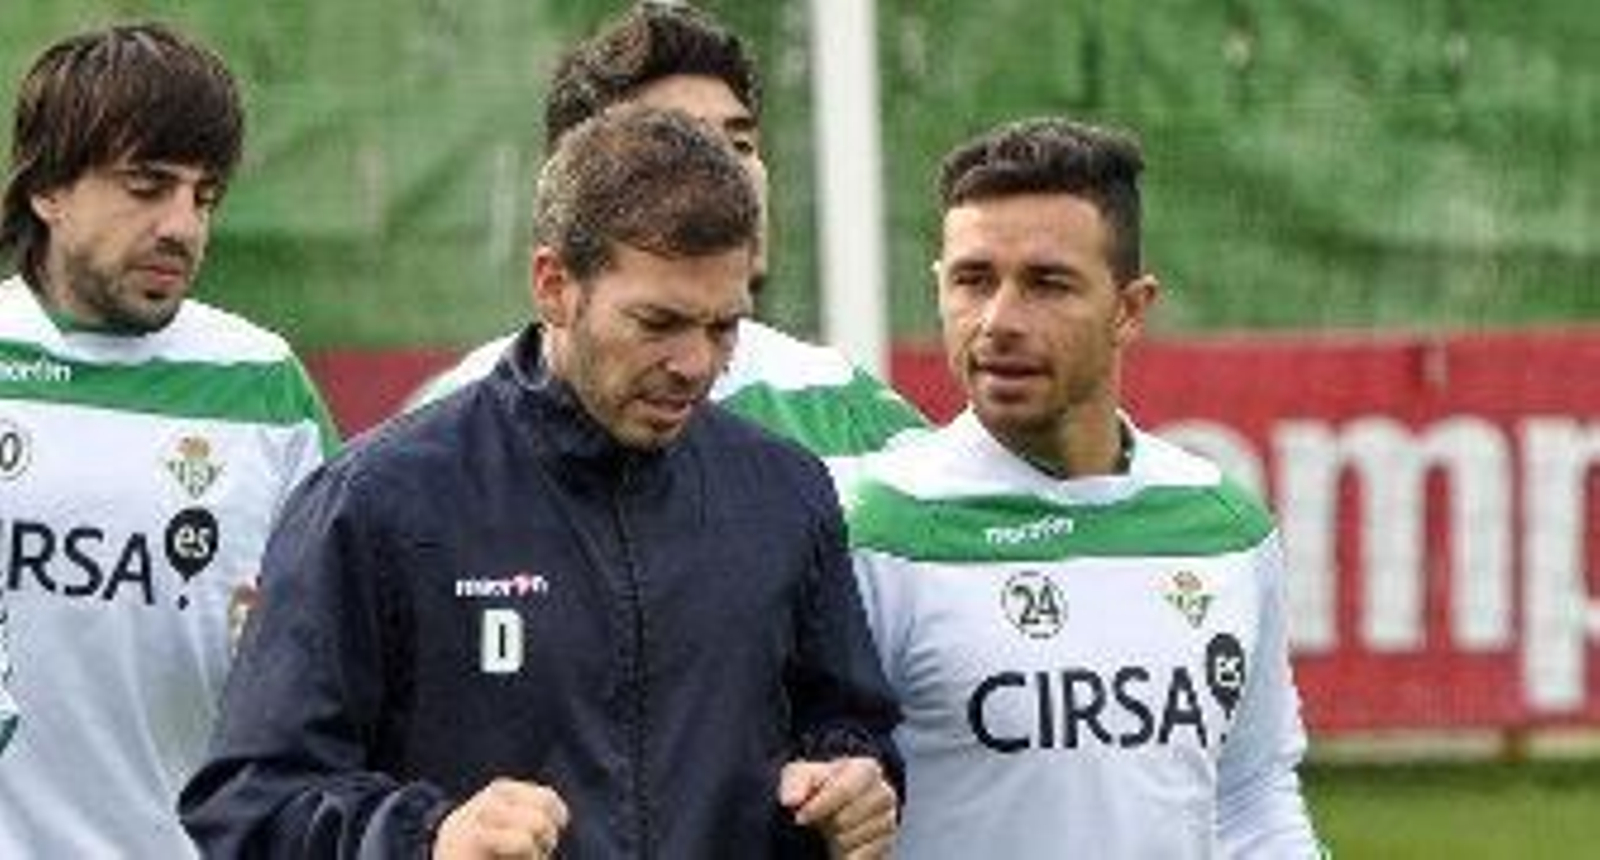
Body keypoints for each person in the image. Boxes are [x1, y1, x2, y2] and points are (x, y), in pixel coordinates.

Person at [180, 105, 901, 859]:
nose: (696, 364)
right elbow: (250, 804)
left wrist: (858, 782)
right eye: (658, 323)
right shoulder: (376, 502)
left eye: (724, 327)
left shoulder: (784, 493)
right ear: (554, 285)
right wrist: (428, 839)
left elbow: (848, 726)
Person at [847, 118, 1327, 858]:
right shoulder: (878, 530)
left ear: (1130, 308)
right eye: (973, 281)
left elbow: (1250, 790)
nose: (999, 321)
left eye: (1046, 284)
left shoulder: (1222, 524)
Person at [0, 21, 338, 855]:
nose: (182, 225)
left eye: (204, 195)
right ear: (48, 189)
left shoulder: (265, 386)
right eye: (147, 186)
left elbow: (346, 648)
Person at [404, 2, 927, 487]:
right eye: (677, 143)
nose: (730, 177)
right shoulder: (437, 441)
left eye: (740, 145)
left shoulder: (850, 414)